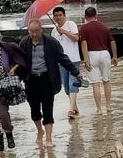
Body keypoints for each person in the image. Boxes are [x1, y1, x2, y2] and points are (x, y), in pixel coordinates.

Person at [20, 18, 82, 148]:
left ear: (41, 30)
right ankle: (39, 131)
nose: (34, 34)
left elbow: (63, 58)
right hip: (31, 81)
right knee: (34, 110)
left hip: (47, 80)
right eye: (31, 32)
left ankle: (48, 139)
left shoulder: (51, 43)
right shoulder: (24, 43)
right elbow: (20, 62)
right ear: (28, 31)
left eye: (37, 31)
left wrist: (75, 72)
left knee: (48, 109)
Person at [80, 7, 118, 115]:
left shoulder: (84, 28)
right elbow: (112, 42)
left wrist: (86, 59)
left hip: (92, 55)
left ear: (85, 17)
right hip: (105, 54)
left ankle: (99, 109)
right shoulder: (104, 27)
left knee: (95, 84)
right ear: (96, 16)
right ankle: (109, 106)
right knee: (106, 81)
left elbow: (84, 44)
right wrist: (114, 56)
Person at [51, 6, 82, 119]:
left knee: (73, 82)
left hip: (73, 60)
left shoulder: (71, 24)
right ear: (53, 18)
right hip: (61, 63)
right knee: (67, 88)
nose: (58, 17)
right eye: (56, 16)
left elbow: (76, 38)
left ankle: (70, 109)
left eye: (60, 15)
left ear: (64, 15)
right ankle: (75, 108)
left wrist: (63, 31)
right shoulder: (53, 31)